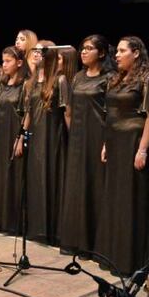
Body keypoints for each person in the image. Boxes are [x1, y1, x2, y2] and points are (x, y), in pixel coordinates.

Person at [98, 36, 149, 275]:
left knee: (131, 198)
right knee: (116, 198)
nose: (116, 55)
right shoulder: (117, 78)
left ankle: (131, 258)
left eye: (122, 51)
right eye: (117, 51)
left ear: (136, 53)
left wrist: (143, 149)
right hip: (115, 142)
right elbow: (111, 113)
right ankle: (114, 254)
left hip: (133, 142)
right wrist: (106, 143)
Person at [59, 35, 113, 257]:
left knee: (95, 186)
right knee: (77, 187)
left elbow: (111, 113)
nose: (83, 52)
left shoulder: (109, 78)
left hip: (97, 137)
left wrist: (106, 141)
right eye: (82, 48)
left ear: (102, 53)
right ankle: (76, 240)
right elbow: (69, 110)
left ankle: (94, 242)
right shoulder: (78, 77)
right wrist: (74, 134)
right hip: (78, 138)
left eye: (89, 48)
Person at [21, 40, 68, 245]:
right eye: (35, 50)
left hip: (52, 136)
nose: (36, 54)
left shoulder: (59, 80)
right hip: (35, 136)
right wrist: (22, 135)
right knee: (36, 179)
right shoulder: (31, 81)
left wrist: (72, 138)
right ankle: (37, 227)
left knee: (51, 177)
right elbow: (29, 112)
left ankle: (53, 230)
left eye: (41, 51)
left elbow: (67, 113)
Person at [0, 46, 28, 234]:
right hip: (2, 133)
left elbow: (26, 114)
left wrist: (20, 137)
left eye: (8, 61)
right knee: (0, 175)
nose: (4, 65)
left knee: (14, 176)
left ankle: (14, 222)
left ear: (19, 63)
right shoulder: (3, 83)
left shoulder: (25, 84)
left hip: (15, 133)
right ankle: (0, 220)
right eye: (3, 61)